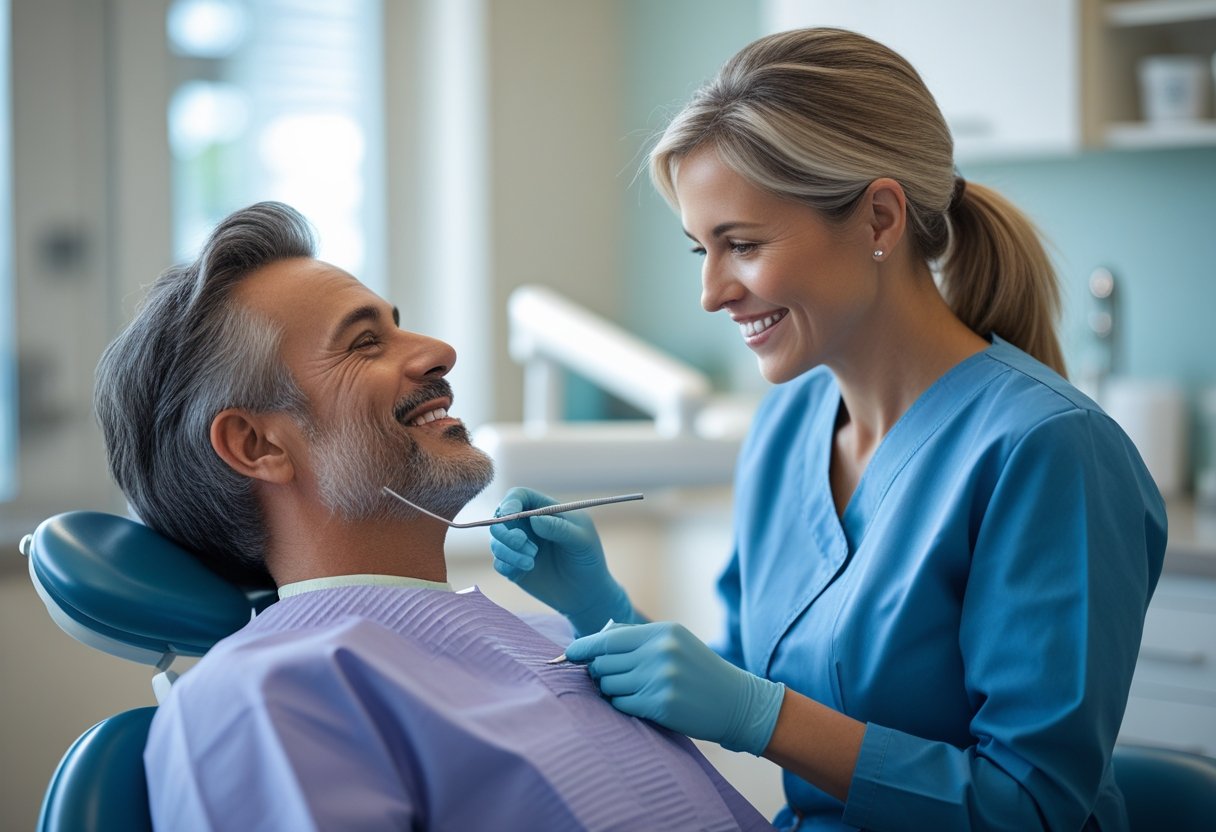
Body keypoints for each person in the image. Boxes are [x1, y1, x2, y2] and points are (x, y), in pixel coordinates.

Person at [488, 27, 1167, 832]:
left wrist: (759, 714)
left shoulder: (1049, 450)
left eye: (741, 244)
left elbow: (1031, 808)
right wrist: (602, 609)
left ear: (880, 218)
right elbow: (758, 681)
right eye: (701, 249)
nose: (711, 293)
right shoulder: (787, 430)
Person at [93, 201, 772, 831]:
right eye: (363, 343)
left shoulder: (555, 637)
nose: (439, 350)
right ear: (258, 445)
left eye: (397, 323)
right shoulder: (259, 699)